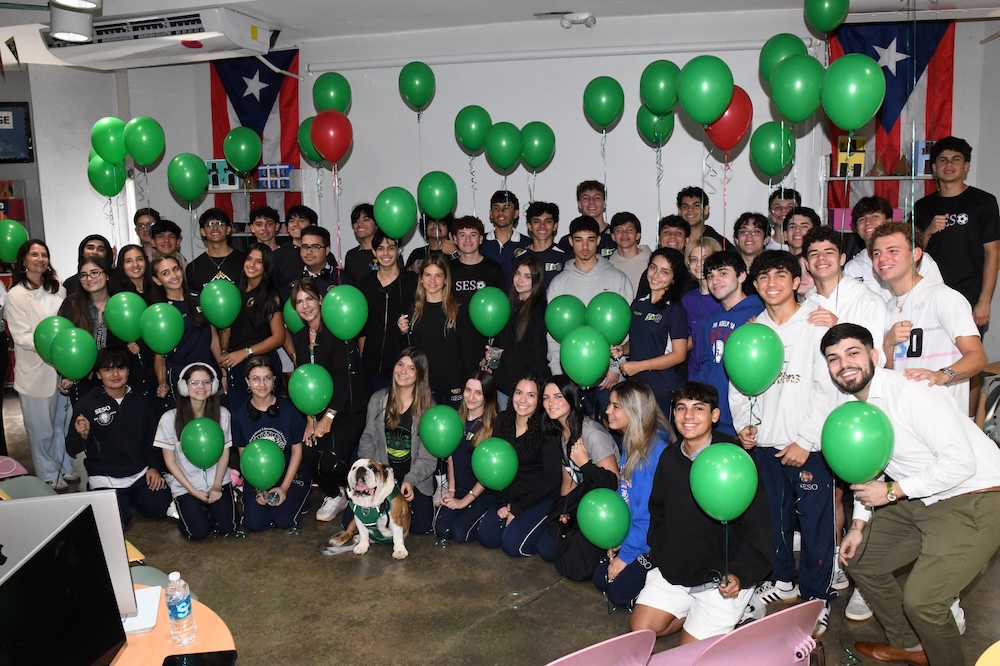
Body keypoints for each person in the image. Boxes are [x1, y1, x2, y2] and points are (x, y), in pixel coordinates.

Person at [823, 323, 1000, 666]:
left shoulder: (911, 391)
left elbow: (960, 463)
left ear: (875, 356)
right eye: (833, 358)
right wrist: (858, 526)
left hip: (977, 494)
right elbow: (867, 470)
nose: (844, 363)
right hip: (923, 495)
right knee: (859, 558)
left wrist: (893, 490)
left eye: (853, 352)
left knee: (924, 602)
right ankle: (910, 645)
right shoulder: (855, 408)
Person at [729, 250, 838, 636]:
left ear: (796, 281)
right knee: (770, 523)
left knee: (815, 527)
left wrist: (805, 440)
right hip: (765, 446)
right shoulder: (750, 330)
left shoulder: (816, 327)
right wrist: (744, 425)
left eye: (780, 275)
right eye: (763, 277)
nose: (771, 283)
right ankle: (783, 583)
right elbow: (739, 385)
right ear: (754, 285)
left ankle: (816, 596)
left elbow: (829, 389)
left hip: (810, 448)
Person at [630, 381, 771, 643]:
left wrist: (739, 573)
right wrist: (662, 553)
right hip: (680, 567)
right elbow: (658, 513)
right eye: (681, 408)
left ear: (714, 416)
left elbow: (758, 531)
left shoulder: (734, 461)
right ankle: (695, 617)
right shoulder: (670, 457)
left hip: (723, 577)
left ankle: (739, 608)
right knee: (642, 630)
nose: (688, 416)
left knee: (689, 656)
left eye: (698, 408)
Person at [872, 222, 985, 414]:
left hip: (943, 417)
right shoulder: (887, 307)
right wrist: (888, 345)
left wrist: (942, 375)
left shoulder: (943, 297)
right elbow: (891, 373)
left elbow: (978, 357)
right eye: (876, 253)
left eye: (892, 250)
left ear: (916, 254)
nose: (882, 258)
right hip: (905, 416)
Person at [290, 278, 371, 523]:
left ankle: (361, 490)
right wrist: (309, 418)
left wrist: (328, 417)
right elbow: (305, 381)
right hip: (319, 409)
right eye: (299, 302)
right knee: (309, 453)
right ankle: (336, 495)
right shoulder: (299, 336)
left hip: (348, 407)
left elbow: (345, 379)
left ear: (321, 301)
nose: (305, 306)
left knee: (330, 464)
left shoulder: (338, 331)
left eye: (310, 299)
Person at [65, 348, 171, 527]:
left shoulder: (142, 400)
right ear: (98, 375)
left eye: (120, 368)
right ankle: (116, 497)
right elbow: (71, 448)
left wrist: (154, 467)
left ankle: (133, 496)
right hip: (105, 476)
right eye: (107, 370)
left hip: (139, 473)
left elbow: (152, 439)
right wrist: (81, 435)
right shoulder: (87, 404)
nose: (115, 374)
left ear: (128, 371)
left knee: (160, 508)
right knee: (115, 524)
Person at [593, 381, 669, 610]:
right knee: (601, 578)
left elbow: (650, 515)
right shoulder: (633, 438)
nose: (607, 411)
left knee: (618, 594)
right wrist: (615, 535)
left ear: (635, 411)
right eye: (609, 405)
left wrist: (626, 555)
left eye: (616, 406)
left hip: (656, 542)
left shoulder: (654, 451)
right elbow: (625, 493)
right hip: (637, 535)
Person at [4, 239, 73, 490]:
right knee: (41, 429)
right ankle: (47, 472)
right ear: (23, 260)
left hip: (62, 368)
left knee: (62, 424)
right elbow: (21, 336)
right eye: (34, 255)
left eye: (44, 254)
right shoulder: (16, 295)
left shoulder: (58, 289)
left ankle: (65, 466)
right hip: (35, 372)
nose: (40, 259)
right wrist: (51, 346)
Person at [536, 375, 620, 578]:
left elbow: (613, 483)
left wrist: (585, 464)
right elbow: (569, 477)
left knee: (574, 567)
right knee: (547, 546)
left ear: (571, 399)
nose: (550, 403)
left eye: (557, 396)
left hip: (603, 508)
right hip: (582, 500)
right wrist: (564, 513)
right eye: (546, 398)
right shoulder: (561, 430)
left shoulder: (592, 434)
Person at [914, 136, 1000, 328]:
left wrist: (984, 301)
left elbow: (992, 252)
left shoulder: (984, 202)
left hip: (969, 292)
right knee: (933, 354)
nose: (949, 164)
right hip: (930, 291)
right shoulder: (922, 206)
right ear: (934, 167)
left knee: (968, 354)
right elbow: (913, 254)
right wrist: (928, 231)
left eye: (956, 159)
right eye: (943, 159)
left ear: (966, 165)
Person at [353, 348, 437, 536]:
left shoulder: (429, 409)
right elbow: (367, 440)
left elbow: (428, 456)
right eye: (400, 365)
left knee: (419, 527)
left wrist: (411, 480)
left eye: (411, 368)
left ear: (420, 375)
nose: (403, 371)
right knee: (353, 521)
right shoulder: (378, 400)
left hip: (413, 478)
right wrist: (372, 478)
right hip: (383, 475)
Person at [546, 216, 633, 393]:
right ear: (570, 241)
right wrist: (559, 374)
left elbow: (626, 328)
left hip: (611, 380)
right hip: (569, 378)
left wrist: (616, 367)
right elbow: (554, 332)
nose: (585, 247)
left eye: (590, 240)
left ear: (598, 240)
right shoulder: (558, 283)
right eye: (579, 240)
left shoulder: (618, 278)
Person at [478, 375, 562, 557]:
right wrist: (501, 502)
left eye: (531, 395)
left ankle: (545, 531)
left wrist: (518, 509)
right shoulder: (502, 421)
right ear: (512, 395)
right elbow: (495, 467)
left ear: (539, 400)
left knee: (513, 546)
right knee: (487, 537)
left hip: (539, 498)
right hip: (509, 496)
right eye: (518, 393)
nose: (523, 400)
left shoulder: (547, 429)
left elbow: (552, 480)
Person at [154, 363, 238, 540]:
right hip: (186, 485)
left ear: (214, 386)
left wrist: (216, 485)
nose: (201, 387)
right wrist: (192, 491)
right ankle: (183, 506)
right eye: (195, 382)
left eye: (206, 382)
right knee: (197, 533)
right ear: (184, 386)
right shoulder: (169, 419)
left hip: (218, 480)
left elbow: (224, 452)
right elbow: (170, 461)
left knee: (228, 527)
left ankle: (225, 498)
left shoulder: (223, 414)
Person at [231, 356, 311, 532]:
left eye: (267, 377)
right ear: (247, 382)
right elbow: (245, 457)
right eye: (255, 379)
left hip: (290, 474)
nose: (262, 384)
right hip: (258, 477)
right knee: (254, 523)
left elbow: (297, 452)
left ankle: (300, 497)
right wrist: (259, 489)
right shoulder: (238, 416)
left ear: (274, 379)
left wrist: (283, 488)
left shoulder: (291, 410)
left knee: (284, 521)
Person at [692, 252, 763, 436]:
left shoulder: (759, 312)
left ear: (741, 275)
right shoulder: (712, 319)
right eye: (710, 276)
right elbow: (708, 363)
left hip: (748, 419)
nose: (715, 280)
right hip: (716, 415)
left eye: (723, 273)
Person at [612, 248, 689, 415]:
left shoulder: (675, 310)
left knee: (659, 440)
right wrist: (622, 349)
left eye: (664, 272)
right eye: (653, 267)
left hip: (660, 389)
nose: (655, 275)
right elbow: (640, 341)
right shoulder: (638, 304)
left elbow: (679, 354)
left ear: (674, 278)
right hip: (635, 386)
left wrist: (639, 366)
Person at [398, 254, 480, 408]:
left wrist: (466, 384)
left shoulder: (458, 310)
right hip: (425, 387)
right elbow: (409, 352)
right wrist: (403, 333)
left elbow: (469, 350)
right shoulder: (414, 310)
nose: (432, 281)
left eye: (438, 276)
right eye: (428, 275)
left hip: (454, 387)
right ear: (421, 278)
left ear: (446, 280)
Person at [801, 226, 887, 365]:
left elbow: (878, 359)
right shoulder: (805, 306)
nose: (821, 258)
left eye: (829, 253)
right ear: (807, 264)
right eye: (814, 254)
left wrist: (839, 326)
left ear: (842, 259)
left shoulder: (868, 300)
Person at [219, 244, 286, 408]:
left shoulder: (270, 294)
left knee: (265, 415)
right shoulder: (233, 290)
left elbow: (279, 337)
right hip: (236, 364)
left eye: (259, 261)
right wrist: (224, 353)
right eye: (249, 259)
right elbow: (226, 328)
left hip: (262, 364)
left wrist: (245, 352)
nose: (252, 265)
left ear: (266, 267)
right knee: (239, 415)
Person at [435, 371, 499, 542]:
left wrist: (464, 502)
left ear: (488, 396)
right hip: (461, 489)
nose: (471, 397)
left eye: (478, 393)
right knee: (441, 530)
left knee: (459, 533)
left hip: (482, 494)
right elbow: (450, 458)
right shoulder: (456, 421)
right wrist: (452, 491)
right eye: (468, 390)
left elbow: (489, 473)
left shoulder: (492, 428)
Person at [843, 196, 943, 302]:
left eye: (875, 217)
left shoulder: (920, 260)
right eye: (862, 219)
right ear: (856, 228)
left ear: (888, 221)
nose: (868, 222)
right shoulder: (852, 268)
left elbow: (939, 299)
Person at [150, 255, 221, 401]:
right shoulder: (161, 311)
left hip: (209, 372)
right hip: (181, 377)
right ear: (157, 280)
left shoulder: (201, 298)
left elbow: (212, 335)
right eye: (165, 273)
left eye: (175, 269)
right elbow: (159, 355)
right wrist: (162, 383)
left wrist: (223, 370)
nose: (173, 276)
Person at [57, 255, 121, 404]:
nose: (89, 278)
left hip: (115, 378)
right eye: (83, 275)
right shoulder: (71, 304)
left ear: (107, 275)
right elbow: (62, 342)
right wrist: (67, 374)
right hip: (82, 380)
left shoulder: (120, 305)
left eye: (95, 272)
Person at [358, 230, 417, 391]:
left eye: (391, 247)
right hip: (372, 368)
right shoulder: (366, 284)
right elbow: (362, 329)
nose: (386, 253)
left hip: (404, 367)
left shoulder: (411, 282)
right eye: (381, 248)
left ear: (398, 250)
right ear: (374, 252)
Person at [490, 254, 549, 410]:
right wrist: (491, 355)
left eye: (527, 276)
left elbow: (536, 358)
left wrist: (524, 391)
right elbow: (502, 344)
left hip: (524, 392)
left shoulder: (539, 311)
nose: (520, 280)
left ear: (536, 280)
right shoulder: (508, 305)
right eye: (517, 274)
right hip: (503, 387)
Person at [112, 245, 159, 400]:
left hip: (161, 361)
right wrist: (126, 345)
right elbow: (113, 334)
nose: (135, 265)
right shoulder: (118, 296)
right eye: (128, 261)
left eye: (139, 259)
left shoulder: (157, 288)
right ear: (121, 265)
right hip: (134, 366)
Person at [682, 238, 722, 381]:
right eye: (693, 259)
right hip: (696, 372)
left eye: (705, 258)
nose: (699, 264)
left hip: (724, 372)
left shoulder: (727, 298)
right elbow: (688, 339)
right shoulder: (687, 300)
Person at [185, 208, 245, 296]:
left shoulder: (245, 262)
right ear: (202, 232)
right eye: (209, 225)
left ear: (228, 229)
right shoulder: (193, 268)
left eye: (220, 224)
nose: (215, 228)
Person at [506, 201, 566, 288]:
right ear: (529, 226)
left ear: (555, 226)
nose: (542, 226)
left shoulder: (565, 257)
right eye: (537, 221)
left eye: (548, 221)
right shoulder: (519, 259)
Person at [448, 215, 505, 306]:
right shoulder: (447, 269)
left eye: (473, 235)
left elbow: (501, 303)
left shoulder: (494, 269)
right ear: (455, 239)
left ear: (481, 239)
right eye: (462, 235)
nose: (468, 240)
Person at [557, 181, 617, 258]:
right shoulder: (567, 242)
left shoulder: (616, 237)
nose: (591, 202)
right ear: (579, 204)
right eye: (586, 198)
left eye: (597, 197)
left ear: (604, 203)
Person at [291, 225, 349, 299]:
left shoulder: (342, 279)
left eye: (315, 247)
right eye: (305, 247)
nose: (309, 252)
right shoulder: (293, 282)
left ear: (327, 250)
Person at [481, 190, 529, 274]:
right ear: (491, 213)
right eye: (496, 208)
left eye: (506, 208)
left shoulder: (528, 245)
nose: (500, 212)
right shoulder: (479, 243)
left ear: (516, 213)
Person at [608, 212, 651, 300]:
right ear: (613, 236)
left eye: (630, 230)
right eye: (619, 230)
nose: (624, 234)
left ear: (638, 235)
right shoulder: (608, 266)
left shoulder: (652, 262)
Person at [272, 204, 318, 288]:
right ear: (287, 228)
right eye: (291, 221)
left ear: (312, 226)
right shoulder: (277, 256)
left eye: (301, 220)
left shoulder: (322, 253)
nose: (295, 224)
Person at [344, 203, 378, 283]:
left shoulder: (387, 252)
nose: (360, 224)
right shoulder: (351, 255)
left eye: (366, 219)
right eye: (356, 221)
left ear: (376, 224)